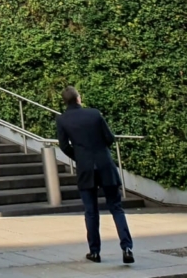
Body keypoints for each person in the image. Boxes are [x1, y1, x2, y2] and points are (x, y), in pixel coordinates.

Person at [56, 86, 134, 265]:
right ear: (78, 99)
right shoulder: (94, 114)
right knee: (116, 207)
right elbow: (109, 137)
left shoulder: (62, 119)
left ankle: (95, 252)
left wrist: (79, 156)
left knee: (91, 211)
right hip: (105, 164)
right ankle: (127, 248)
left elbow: (63, 145)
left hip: (85, 168)